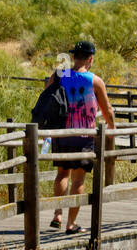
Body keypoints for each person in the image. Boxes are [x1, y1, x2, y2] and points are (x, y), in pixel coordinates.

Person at [48, 40, 115, 233]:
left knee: (61, 174)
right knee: (78, 180)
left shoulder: (60, 75)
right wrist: (112, 127)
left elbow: (47, 96)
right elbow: (107, 109)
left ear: (74, 57)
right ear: (90, 59)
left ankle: (57, 214)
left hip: (61, 133)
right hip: (84, 135)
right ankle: (71, 223)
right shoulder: (94, 81)